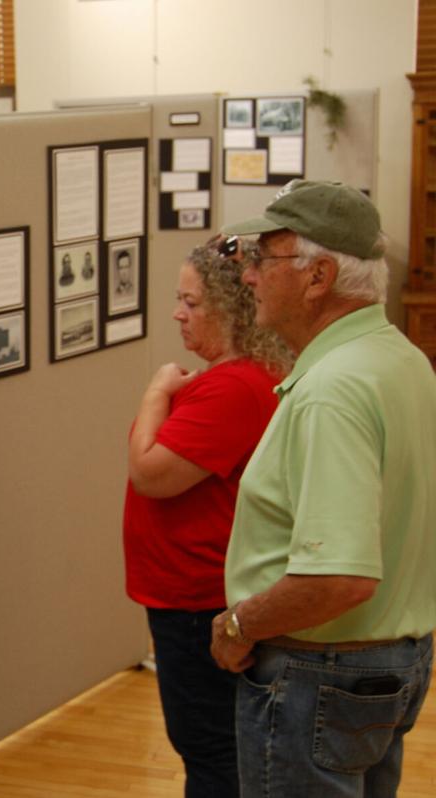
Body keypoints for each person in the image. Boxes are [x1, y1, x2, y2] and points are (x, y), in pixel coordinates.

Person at [210, 180, 436, 796]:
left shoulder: (333, 389)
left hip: (319, 678)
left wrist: (238, 625)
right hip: (390, 662)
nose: (248, 275)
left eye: (264, 258)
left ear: (318, 277)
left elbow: (338, 578)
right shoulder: (401, 358)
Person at [124, 239, 291, 797]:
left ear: (231, 307)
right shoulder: (242, 377)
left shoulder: (232, 387)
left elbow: (150, 473)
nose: (178, 313)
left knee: (210, 751)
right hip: (195, 595)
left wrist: (156, 392)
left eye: (191, 302)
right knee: (216, 748)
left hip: (197, 601)